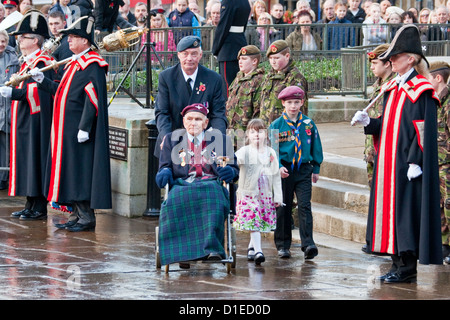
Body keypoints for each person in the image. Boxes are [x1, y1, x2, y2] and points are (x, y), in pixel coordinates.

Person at [351, 24, 443, 283]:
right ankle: (395, 262)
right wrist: (369, 122)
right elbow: (388, 126)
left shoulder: (423, 91)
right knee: (390, 214)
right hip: (388, 162)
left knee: (405, 214)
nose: (390, 61)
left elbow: (423, 130)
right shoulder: (391, 88)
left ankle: (407, 267)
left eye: (395, 56)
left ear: (411, 58)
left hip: (407, 163)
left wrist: (416, 160)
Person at [31, 15, 111, 232]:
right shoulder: (75, 63)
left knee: (81, 171)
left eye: (73, 37)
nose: (68, 41)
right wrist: (43, 81)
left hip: (79, 130)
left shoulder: (92, 65)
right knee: (71, 171)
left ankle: (86, 217)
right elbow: (62, 94)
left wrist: (84, 127)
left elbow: (91, 98)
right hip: (65, 129)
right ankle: (76, 213)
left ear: (85, 40)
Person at [155, 103, 238, 267]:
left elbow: (234, 168)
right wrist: (164, 172)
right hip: (183, 184)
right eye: (190, 119)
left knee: (214, 199)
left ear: (206, 123)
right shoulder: (172, 139)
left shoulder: (220, 140)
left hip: (210, 182)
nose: (194, 123)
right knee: (176, 201)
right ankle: (182, 253)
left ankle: (213, 249)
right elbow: (164, 165)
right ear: (184, 122)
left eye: (198, 119)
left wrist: (230, 171)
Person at [0, 10, 55, 221]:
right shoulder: (28, 60)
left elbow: (37, 92)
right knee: (25, 160)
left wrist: (13, 92)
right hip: (25, 117)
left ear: (35, 40)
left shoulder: (42, 62)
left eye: (23, 37)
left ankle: (39, 205)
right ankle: (30, 203)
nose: (20, 40)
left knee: (35, 160)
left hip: (36, 119)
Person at [269, 86, 323, 259]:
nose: (293, 106)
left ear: (302, 103)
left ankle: (308, 244)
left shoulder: (308, 124)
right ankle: (283, 245)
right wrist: (277, 166)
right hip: (285, 169)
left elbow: (316, 146)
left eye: (297, 102)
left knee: (304, 206)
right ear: (283, 103)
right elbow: (272, 149)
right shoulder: (277, 125)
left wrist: (316, 168)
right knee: (283, 207)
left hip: (304, 169)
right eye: (289, 102)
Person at [154, 35, 227, 158]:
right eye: (185, 54)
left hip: (203, 145)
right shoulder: (167, 77)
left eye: (194, 54)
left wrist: (218, 139)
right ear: (178, 55)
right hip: (174, 139)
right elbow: (162, 112)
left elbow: (218, 114)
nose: (189, 58)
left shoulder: (213, 79)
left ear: (200, 55)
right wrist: (167, 138)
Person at [233, 118, 282, 265]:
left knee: (259, 222)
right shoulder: (244, 151)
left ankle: (251, 247)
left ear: (265, 134)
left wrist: (278, 196)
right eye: (253, 132)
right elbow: (235, 161)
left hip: (265, 194)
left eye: (260, 132)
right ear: (247, 135)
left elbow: (276, 175)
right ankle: (259, 251)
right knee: (253, 220)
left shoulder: (270, 152)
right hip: (248, 193)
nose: (256, 135)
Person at [362, 44, 394, 190]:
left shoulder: (394, 85)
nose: (372, 67)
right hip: (372, 149)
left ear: (387, 63)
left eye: (375, 63)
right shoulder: (378, 85)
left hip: (385, 149)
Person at [427, 61, 450, 265]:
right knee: (441, 204)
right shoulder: (436, 101)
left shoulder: (448, 102)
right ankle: (444, 244)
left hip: (447, 163)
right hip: (438, 163)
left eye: (429, 77)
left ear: (438, 78)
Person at [257, 39, 308, 125]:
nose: (273, 61)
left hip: (284, 129)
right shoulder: (270, 75)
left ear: (287, 56)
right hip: (267, 127)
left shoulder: (295, 78)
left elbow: (298, 109)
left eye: (277, 58)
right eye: (271, 58)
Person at [211, 0, 251, 97]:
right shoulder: (245, 2)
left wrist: (215, 49)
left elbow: (223, 26)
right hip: (240, 42)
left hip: (228, 48)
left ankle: (229, 111)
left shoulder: (228, 1)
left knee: (227, 88)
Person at [226, 45, 264, 132]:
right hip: (231, 130)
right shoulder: (238, 78)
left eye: (244, 59)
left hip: (246, 131)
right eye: (239, 59)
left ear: (254, 61)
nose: (240, 62)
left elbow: (258, 110)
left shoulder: (259, 80)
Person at [0, 30, 19, 191]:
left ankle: (3, 178)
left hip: (7, 106)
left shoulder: (13, 58)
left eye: (3, 41)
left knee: (5, 145)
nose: (1, 44)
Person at [48, 11, 72, 79]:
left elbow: (64, 69)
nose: (53, 27)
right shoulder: (50, 41)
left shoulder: (68, 42)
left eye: (56, 23)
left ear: (64, 23)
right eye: (51, 24)